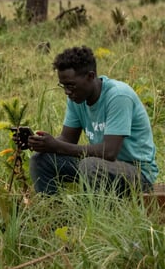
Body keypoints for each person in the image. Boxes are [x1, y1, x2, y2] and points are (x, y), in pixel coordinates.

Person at [28, 45, 157, 196]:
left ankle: (94, 215)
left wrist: (56, 145)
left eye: (70, 85)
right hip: (101, 167)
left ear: (90, 76)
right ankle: (53, 211)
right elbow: (67, 140)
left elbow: (109, 152)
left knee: (90, 165)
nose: (67, 92)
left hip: (138, 174)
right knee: (40, 160)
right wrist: (42, 144)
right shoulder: (77, 98)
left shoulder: (118, 96)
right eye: (63, 86)